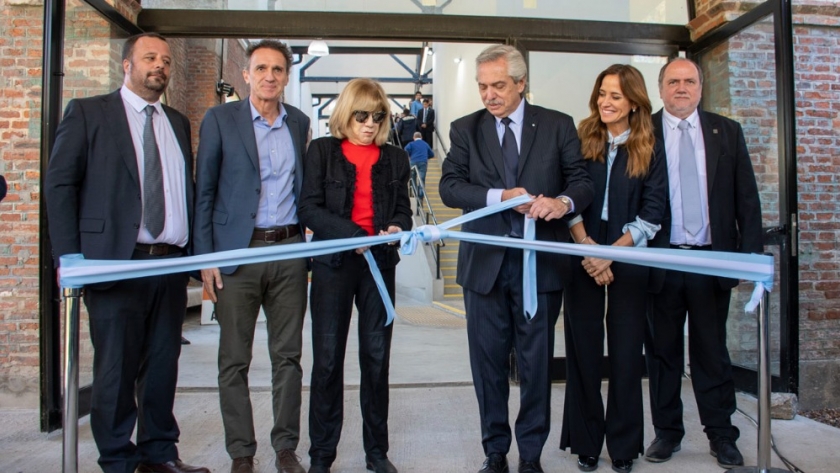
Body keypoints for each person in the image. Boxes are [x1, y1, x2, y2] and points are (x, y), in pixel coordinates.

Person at [45, 33, 208, 473]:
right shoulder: (88, 113)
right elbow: (60, 185)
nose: (160, 66)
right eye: (150, 57)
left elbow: (181, 189)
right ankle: (118, 459)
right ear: (126, 64)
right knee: (116, 367)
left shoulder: (176, 121)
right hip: (115, 261)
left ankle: (159, 454)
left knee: (161, 365)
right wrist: (69, 258)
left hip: (170, 262)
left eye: (167, 60)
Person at [439, 44, 593, 473]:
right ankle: (495, 452)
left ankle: (530, 456)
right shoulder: (465, 129)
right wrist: (499, 198)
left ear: (521, 84)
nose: (489, 95)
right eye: (482, 86)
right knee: (487, 365)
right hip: (484, 268)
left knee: (536, 364)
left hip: (540, 268)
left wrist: (562, 203)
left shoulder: (559, 125)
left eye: (499, 86)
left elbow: (580, 181)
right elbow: (450, 187)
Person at [193, 39, 310, 473]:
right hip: (236, 255)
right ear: (246, 74)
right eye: (261, 68)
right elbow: (203, 193)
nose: (269, 76)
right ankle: (242, 453)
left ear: (286, 76)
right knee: (234, 359)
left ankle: (285, 449)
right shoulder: (220, 119)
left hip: (289, 252)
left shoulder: (298, 123)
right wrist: (205, 259)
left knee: (288, 356)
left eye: (277, 69)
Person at [644, 57, 763, 469]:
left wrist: (748, 259)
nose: (681, 88)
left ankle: (721, 435)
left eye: (689, 81)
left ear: (700, 87)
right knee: (663, 353)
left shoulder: (726, 131)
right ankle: (668, 433)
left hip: (712, 260)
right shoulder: (644, 133)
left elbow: (746, 197)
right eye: (673, 81)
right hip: (662, 261)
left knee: (712, 352)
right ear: (661, 89)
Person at [298, 78, 412, 473]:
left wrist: (397, 229)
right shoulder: (322, 151)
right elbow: (309, 209)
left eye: (377, 116)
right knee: (327, 361)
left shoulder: (396, 159)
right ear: (346, 113)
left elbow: (404, 212)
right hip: (333, 267)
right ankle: (321, 455)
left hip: (378, 267)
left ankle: (376, 453)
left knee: (376, 360)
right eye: (361, 115)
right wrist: (352, 235)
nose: (369, 124)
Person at [559, 64, 668, 473]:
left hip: (629, 254)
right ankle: (586, 442)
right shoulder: (581, 136)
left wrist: (611, 254)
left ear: (635, 102)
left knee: (625, 355)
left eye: (616, 96)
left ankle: (622, 447)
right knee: (583, 351)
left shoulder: (650, 147)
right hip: (582, 249)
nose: (606, 101)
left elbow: (653, 212)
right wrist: (589, 248)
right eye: (602, 93)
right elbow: (567, 195)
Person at [404, 131, 435, 202]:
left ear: (413, 137)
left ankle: (415, 192)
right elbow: (432, 154)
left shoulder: (411, 144)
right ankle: (421, 194)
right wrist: (426, 157)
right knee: (421, 179)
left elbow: (405, 150)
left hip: (413, 162)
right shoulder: (425, 144)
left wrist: (409, 156)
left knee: (413, 177)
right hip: (423, 162)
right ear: (421, 137)